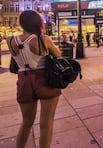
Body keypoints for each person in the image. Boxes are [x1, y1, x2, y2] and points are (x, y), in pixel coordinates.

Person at [6, 10, 62, 148]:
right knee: (46, 122)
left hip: (24, 80)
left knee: (26, 122)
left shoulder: (11, 40)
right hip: (44, 79)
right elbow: (58, 55)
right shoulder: (42, 39)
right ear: (38, 23)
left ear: (22, 23)